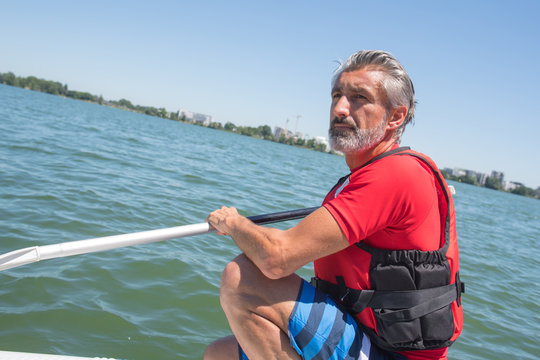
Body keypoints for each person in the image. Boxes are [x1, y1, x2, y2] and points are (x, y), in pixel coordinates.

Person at [203, 50, 463, 360]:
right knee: (219, 354)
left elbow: (277, 258)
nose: (340, 108)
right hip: (367, 333)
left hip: (393, 355)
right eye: (337, 95)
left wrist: (233, 222)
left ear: (395, 117)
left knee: (242, 277)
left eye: (359, 98)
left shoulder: (396, 175)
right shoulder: (371, 177)